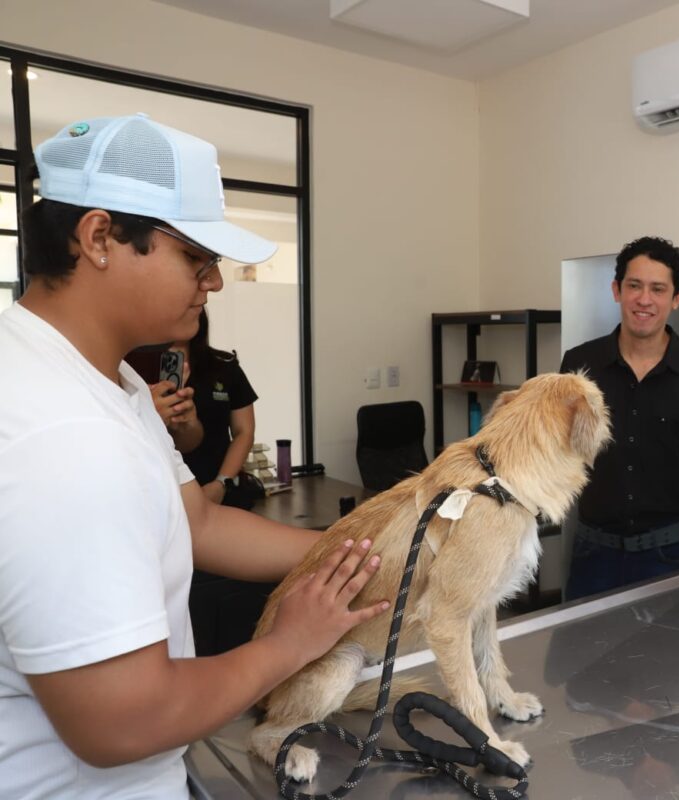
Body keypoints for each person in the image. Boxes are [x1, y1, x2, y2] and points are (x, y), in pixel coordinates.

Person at [0, 113, 390, 798]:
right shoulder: (63, 436)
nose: (213, 284)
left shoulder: (105, 380)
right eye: (195, 258)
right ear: (99, 238)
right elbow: (123, 721)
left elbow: (198, 524)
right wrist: (290, 643)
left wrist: (357, 546)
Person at [560, 235, 679, 600]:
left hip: (671, 554)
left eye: (658, 289)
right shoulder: (578, 366)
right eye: (634, 286)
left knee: (669, 657)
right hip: (593, 554)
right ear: (616, 290)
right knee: (578, 655)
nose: (644, 299)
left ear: (677, 298)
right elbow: (562, 448)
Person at [152, 307, 258, 506]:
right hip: (160, 493)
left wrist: (220, 483)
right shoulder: (135, 368)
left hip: (218, 489)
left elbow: (244, 431)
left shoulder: (224, 366)